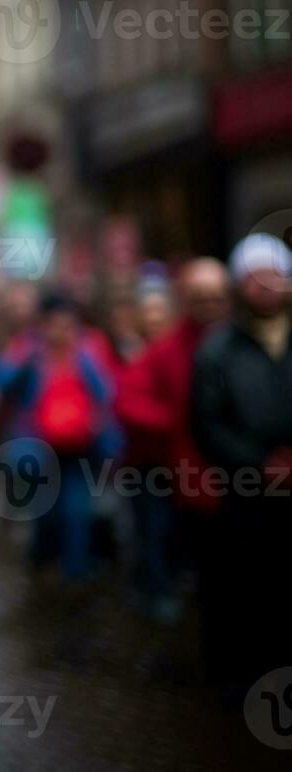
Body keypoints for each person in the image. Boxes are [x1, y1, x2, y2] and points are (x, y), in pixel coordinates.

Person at [192, 234, 292, 702]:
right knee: (242, 586)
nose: (265, 286)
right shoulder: (217, 349)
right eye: (254, 278)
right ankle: (240, 679)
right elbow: (207, 422)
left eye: (274, 275)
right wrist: (258, 463)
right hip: (245, 493)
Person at [114, 259, 230, 622]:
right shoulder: (166, 349)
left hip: (223, 466)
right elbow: (127, 400)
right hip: (161, 465)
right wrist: (175, 423)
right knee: (157, 533)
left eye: (216, 298)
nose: (209, 306)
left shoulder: (235, 341)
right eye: (200, 298)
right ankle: (156, 589)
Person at [0, 292, 116, 582]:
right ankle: (44, 558)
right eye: (54, 325)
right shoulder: (30, 354)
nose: (60, 332)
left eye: (67, 325)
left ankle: (74, 569)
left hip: (78, 449)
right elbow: (2, 381)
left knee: (76, 512)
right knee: (46, 512)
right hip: (40, 450)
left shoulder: (86, 356)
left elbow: (106, 396)